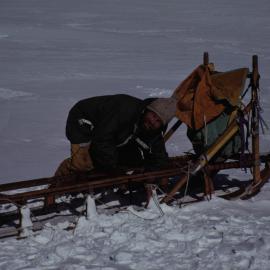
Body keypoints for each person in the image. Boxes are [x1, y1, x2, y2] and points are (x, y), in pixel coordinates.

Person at [55, 94, 177, 176]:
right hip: (84, 120)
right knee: (83, 163)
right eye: (153, 115)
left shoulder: (152, 127)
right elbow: (102, 140)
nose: (153, 121)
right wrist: (113, 170)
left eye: (158, 121)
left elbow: (158, 152)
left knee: (130, 160)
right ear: (148, 109)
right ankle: (58, 182)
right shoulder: (125, 110)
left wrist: (155, 171)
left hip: (111, 131)